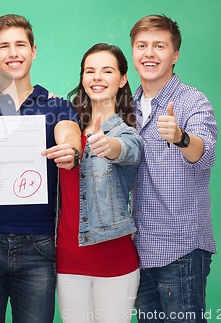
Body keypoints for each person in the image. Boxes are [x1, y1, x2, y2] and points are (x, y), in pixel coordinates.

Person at [0, 14, 82, 323]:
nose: (13, 53)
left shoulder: (57, 105)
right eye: (4, 46)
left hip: (38, 243)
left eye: (20, 45)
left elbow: (69, 133)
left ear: (33, 51)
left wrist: (71, 149)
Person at [129, 15, 218, 323]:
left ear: (175, 55)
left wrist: (180, 137)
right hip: (138, 249)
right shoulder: (127, 107)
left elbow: (203, 152)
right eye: (142, 46)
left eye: (159, 46)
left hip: (180, 249)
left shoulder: (192, 101)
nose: (149, 54)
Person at [56, 43, 143, 323]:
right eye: (90, 71)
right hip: (67, 261)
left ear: (122, 78)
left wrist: (110, 145)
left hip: (114, 262)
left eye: (107, 71)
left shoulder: (126, 131)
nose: (97, 77)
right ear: (82, 77)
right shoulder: (66, 127)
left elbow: (129, 149)